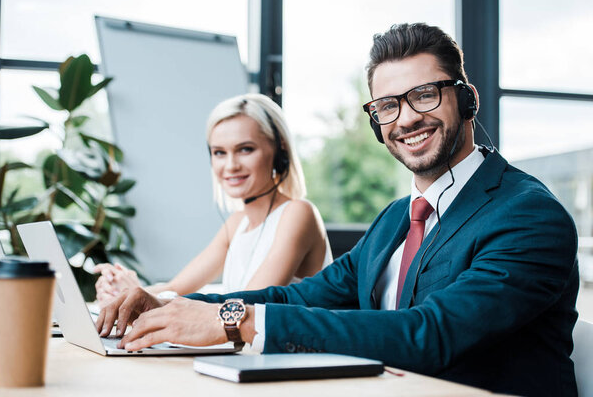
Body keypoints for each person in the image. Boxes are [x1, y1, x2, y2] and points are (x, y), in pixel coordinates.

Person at [97, 23, 579, 397]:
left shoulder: (529, 216)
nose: (406, 118)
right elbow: (300, 298)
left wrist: (235, 318)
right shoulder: (396, 218)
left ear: (468, 99)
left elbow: (430, 334)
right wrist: (166, 307)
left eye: (425, 95)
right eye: (386, 106)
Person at [93, 93, 332, 302]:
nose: (230, 165)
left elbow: (247, 305)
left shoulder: (299, 213)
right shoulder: (236, 224)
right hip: (251, 353)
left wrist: (140, 295)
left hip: (292, 353)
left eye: (245, 149)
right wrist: (126, 292)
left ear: (279, 151)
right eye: (219, 152)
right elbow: (174, 288)